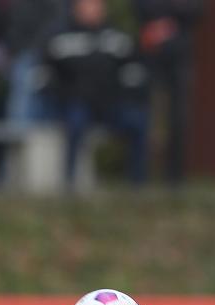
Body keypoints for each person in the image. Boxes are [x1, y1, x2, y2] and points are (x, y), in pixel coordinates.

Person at [42, 0, 150, 186]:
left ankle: (137, 185)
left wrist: (127, 95)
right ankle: (68, 183)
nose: (93, 10)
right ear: (76, 9)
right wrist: (61, 96)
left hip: (110, 105)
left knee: (138, 122)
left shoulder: (117, 38)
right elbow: (46, 75)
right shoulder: (60, 39)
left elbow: (134, 71)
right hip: (75, 103)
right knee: (75, 123)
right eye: (87, 5)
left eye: (96, 5)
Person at [133, 0, 204, 186]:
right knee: (148, 118)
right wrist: (171, 15)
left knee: (179, 119)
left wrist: (170, 19)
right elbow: (141, 8)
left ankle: (174, 179)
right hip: (151, 57)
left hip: (180, 58)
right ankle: (141, 177)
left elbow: (197, 10)